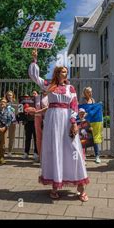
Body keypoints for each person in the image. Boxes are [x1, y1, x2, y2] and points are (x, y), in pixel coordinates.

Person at [28, 49, 89, 201]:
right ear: (57, 73)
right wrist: (35, 59)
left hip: (67, 119)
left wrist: (74, 123)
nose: (65, 73)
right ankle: (55, 186)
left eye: (66, 71)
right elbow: (35, 77)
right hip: (52, 121)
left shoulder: (71, 88)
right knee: (55, 150)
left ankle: (80, 188)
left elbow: (74, 106)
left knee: (73, 150)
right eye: (62, 71)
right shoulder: (49, 86)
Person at [81, 86, 102, 164]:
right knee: (85, 139)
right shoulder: (83, 101)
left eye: (91, 92)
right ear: (84, 93)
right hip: (85, 123)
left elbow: (94, 111)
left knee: (95, 139)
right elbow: (82, 111)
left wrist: (99, 105)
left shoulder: (93, 100)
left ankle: (97, 156)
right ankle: (83, 156)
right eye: (88, 92)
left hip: (93, 123)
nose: (90, 93)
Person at [22, 91, 38, 160]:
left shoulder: (38, 102)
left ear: (37, 95)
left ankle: (35, 153)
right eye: (32, 94)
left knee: (36, 138)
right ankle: (26, 153)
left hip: (36, 122)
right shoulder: (27, 102)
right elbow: (23, 110)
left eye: (35, 93)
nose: (33, 95)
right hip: (28, 122)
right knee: (28, 138)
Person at [33, 91, 48, 163]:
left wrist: (38, 111)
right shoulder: (37, 97)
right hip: (37, 118)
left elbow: (49, 107)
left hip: (47, 119)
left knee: (46, 138)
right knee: (38, 138)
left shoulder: (50, 97)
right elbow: (33, 106)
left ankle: (46, 157)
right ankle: (40, 156)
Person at [5, 91, 17, 157]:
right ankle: (1, 151)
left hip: (13, 121)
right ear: (6, 96)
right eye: (8, 95)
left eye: (10, 95)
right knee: (3, 136)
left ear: (13, 96)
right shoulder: (4, 102)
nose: (9, 96)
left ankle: (9, 151)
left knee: (11, 137)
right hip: (5, 121)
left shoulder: (15, 103)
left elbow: (18, 111)